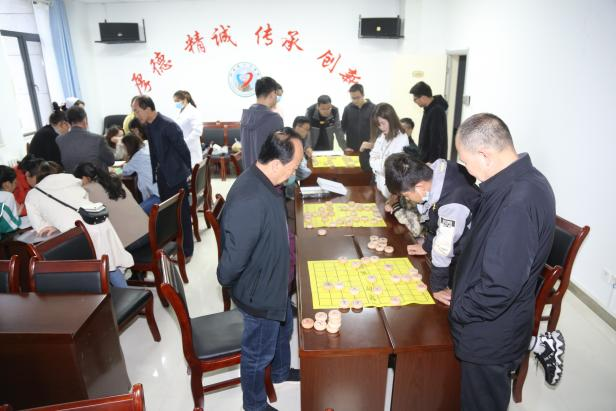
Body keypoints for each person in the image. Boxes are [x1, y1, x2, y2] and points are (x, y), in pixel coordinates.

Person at [448, 113, 557, 410]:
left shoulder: (517, 202)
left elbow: (499, 287)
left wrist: (460, 309)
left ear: (484, 155)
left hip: (490, 332)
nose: (467, 170)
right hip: (491, 321)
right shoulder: (520, 180)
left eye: (465, 161)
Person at [217, 129, 303, 411]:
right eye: (293, 167)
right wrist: (228, 281)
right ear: (276, 163)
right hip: (260, 293)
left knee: (283, 329)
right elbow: (232, 262)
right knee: (257, 354)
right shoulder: (251, 197)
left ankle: (280, 372)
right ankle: (254, 405)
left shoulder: (267, 182)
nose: (295, 173)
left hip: (276, 282)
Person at [384, 152, 480, 305]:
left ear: (420, 187)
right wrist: (427, 246)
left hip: (470, 256)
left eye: (406, 195)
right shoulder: (435, 170)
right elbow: (434, 218)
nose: (408, 199)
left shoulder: (452, 205)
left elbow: (443, 248)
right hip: (459, 240)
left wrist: (438, 287)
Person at [24, 161, 133, 287]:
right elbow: (83, 200)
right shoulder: (72, 179)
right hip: (98, 222)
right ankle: (124, 292)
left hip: (76, 234)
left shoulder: (32, 195)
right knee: (110, 264)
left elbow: (41, 228)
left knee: (89, 273)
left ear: (37, 176)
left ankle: (105, 297)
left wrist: (54, 224)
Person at [131, 95, 194, 260]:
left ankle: (187, 250)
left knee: (181, 214)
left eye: (137, 111)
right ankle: (174, 244)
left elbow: (184, 151)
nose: (136, 115)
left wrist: (187, 173)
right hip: (162, 177)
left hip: (176, 176)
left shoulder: (168, 125)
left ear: (147, 108)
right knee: (168, 214)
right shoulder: (149, 126)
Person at [74, 162, 148, 251]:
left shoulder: (87, 191)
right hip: (149, 232)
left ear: (86, 178)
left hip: (130, 243)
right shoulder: (114, 180)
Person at [367, 103, 409, 198]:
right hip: (380, 186)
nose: (381, 127)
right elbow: (372, 158)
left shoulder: (401, 138)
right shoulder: (382, 136)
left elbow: (391, 167)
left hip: (392, 191)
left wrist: (378, 163)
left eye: (383, 123)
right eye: (378, 124)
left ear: (391, 119)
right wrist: (380, 163)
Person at [240, 76, 284, 168]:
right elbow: (279, 153)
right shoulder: (274, 119)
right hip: (268, 174)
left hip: (248, 173)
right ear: (272, 94)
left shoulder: (245, 116)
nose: (277, 98)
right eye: (277, 95)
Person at [56, 106, 115, 173]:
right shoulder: (98, 139)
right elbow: (111, 161)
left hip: (72, 178)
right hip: (96, 178)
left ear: (68, 122)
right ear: (85, 120)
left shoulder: (59, 140)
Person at [409, 81, 448, 163]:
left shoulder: (436, 111)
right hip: (427, 158)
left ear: (423, 97)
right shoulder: (429, 109)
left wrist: (432, 162)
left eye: (415, 99)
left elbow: (436, 139)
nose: (414, 102)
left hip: (432, 161)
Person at [121, 133, 160, 214]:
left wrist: (126, 158)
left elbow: (125, 171)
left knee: (137, 214)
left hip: (157, 196)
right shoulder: (146, 146)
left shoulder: (137, 158)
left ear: (128, 147)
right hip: (165, 191)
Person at [341, 83, 376, 152]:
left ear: (363, 95)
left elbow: (377, 129)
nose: (355, 100)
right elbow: (342, 128)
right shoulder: (348, 109)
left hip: (368, 148)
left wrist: (372, 142)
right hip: (351, 148)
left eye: (358, 97)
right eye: (353, 98)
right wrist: (344, 146)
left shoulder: (373, 108)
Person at [173, 90, 204, 167]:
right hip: (182, 147)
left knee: (192, 170)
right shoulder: (181, 111)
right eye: (175, 101)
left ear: (184, 100)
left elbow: (198, 131)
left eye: (177, 101)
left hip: (191, 148)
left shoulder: (193, 111)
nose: (176, 103)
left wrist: (185, 142)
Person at [284, 116, 312, 199]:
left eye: (308, 130)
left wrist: (306, 149)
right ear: (298, 126)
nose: (307, 132)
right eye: (306, 129)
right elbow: (296, 171)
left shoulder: (296, 137)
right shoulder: (291, 142)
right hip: (286, 181)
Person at [0, 166, 24, 237]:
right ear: (6, 185)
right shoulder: (7, 196)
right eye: (15, 183)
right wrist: (17, 215)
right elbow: (10, 227)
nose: (16, 186)